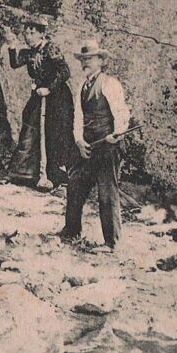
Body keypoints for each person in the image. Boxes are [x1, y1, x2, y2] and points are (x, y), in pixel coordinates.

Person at [61, 38, 131, 252]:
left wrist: (116, 134)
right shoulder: (82, 86)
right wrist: (79, 141)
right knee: (75, 183)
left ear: (101, 61)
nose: (85, 63)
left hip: (108, 146)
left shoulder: (110, 84)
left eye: (90, 59)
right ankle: (71, 232)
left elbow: (122, 113)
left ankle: (112, 243)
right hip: (89, 146)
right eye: (83, 59)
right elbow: (78, 118)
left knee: (106, 192)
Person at [3, 16, 74, 188]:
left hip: (57, 97)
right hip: (39, 94)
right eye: (26, 33)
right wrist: (12, 44)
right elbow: (15, 63)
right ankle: (23, 173)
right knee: (29, 124)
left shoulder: (50, 49)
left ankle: (55, 176)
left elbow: (64, 72)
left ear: (41, 34)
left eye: (32, 33)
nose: (28, 36)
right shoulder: (28, 52)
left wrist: (49, 88)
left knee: (54, 132)